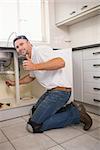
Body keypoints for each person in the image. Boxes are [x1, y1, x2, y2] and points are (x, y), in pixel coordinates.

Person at [5, 35, 92, 133]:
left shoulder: (40, 50)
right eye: (17, 47)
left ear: (29, 43)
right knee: (33, 112)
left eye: (22, 44)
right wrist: (14, 83)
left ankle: (76, 114)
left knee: (33, 126)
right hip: (51, 91)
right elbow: (30, 77)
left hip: (61, 92)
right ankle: (70, 108)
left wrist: (34, 66)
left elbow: (61, 62)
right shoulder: (31, 58)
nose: (20, 48)